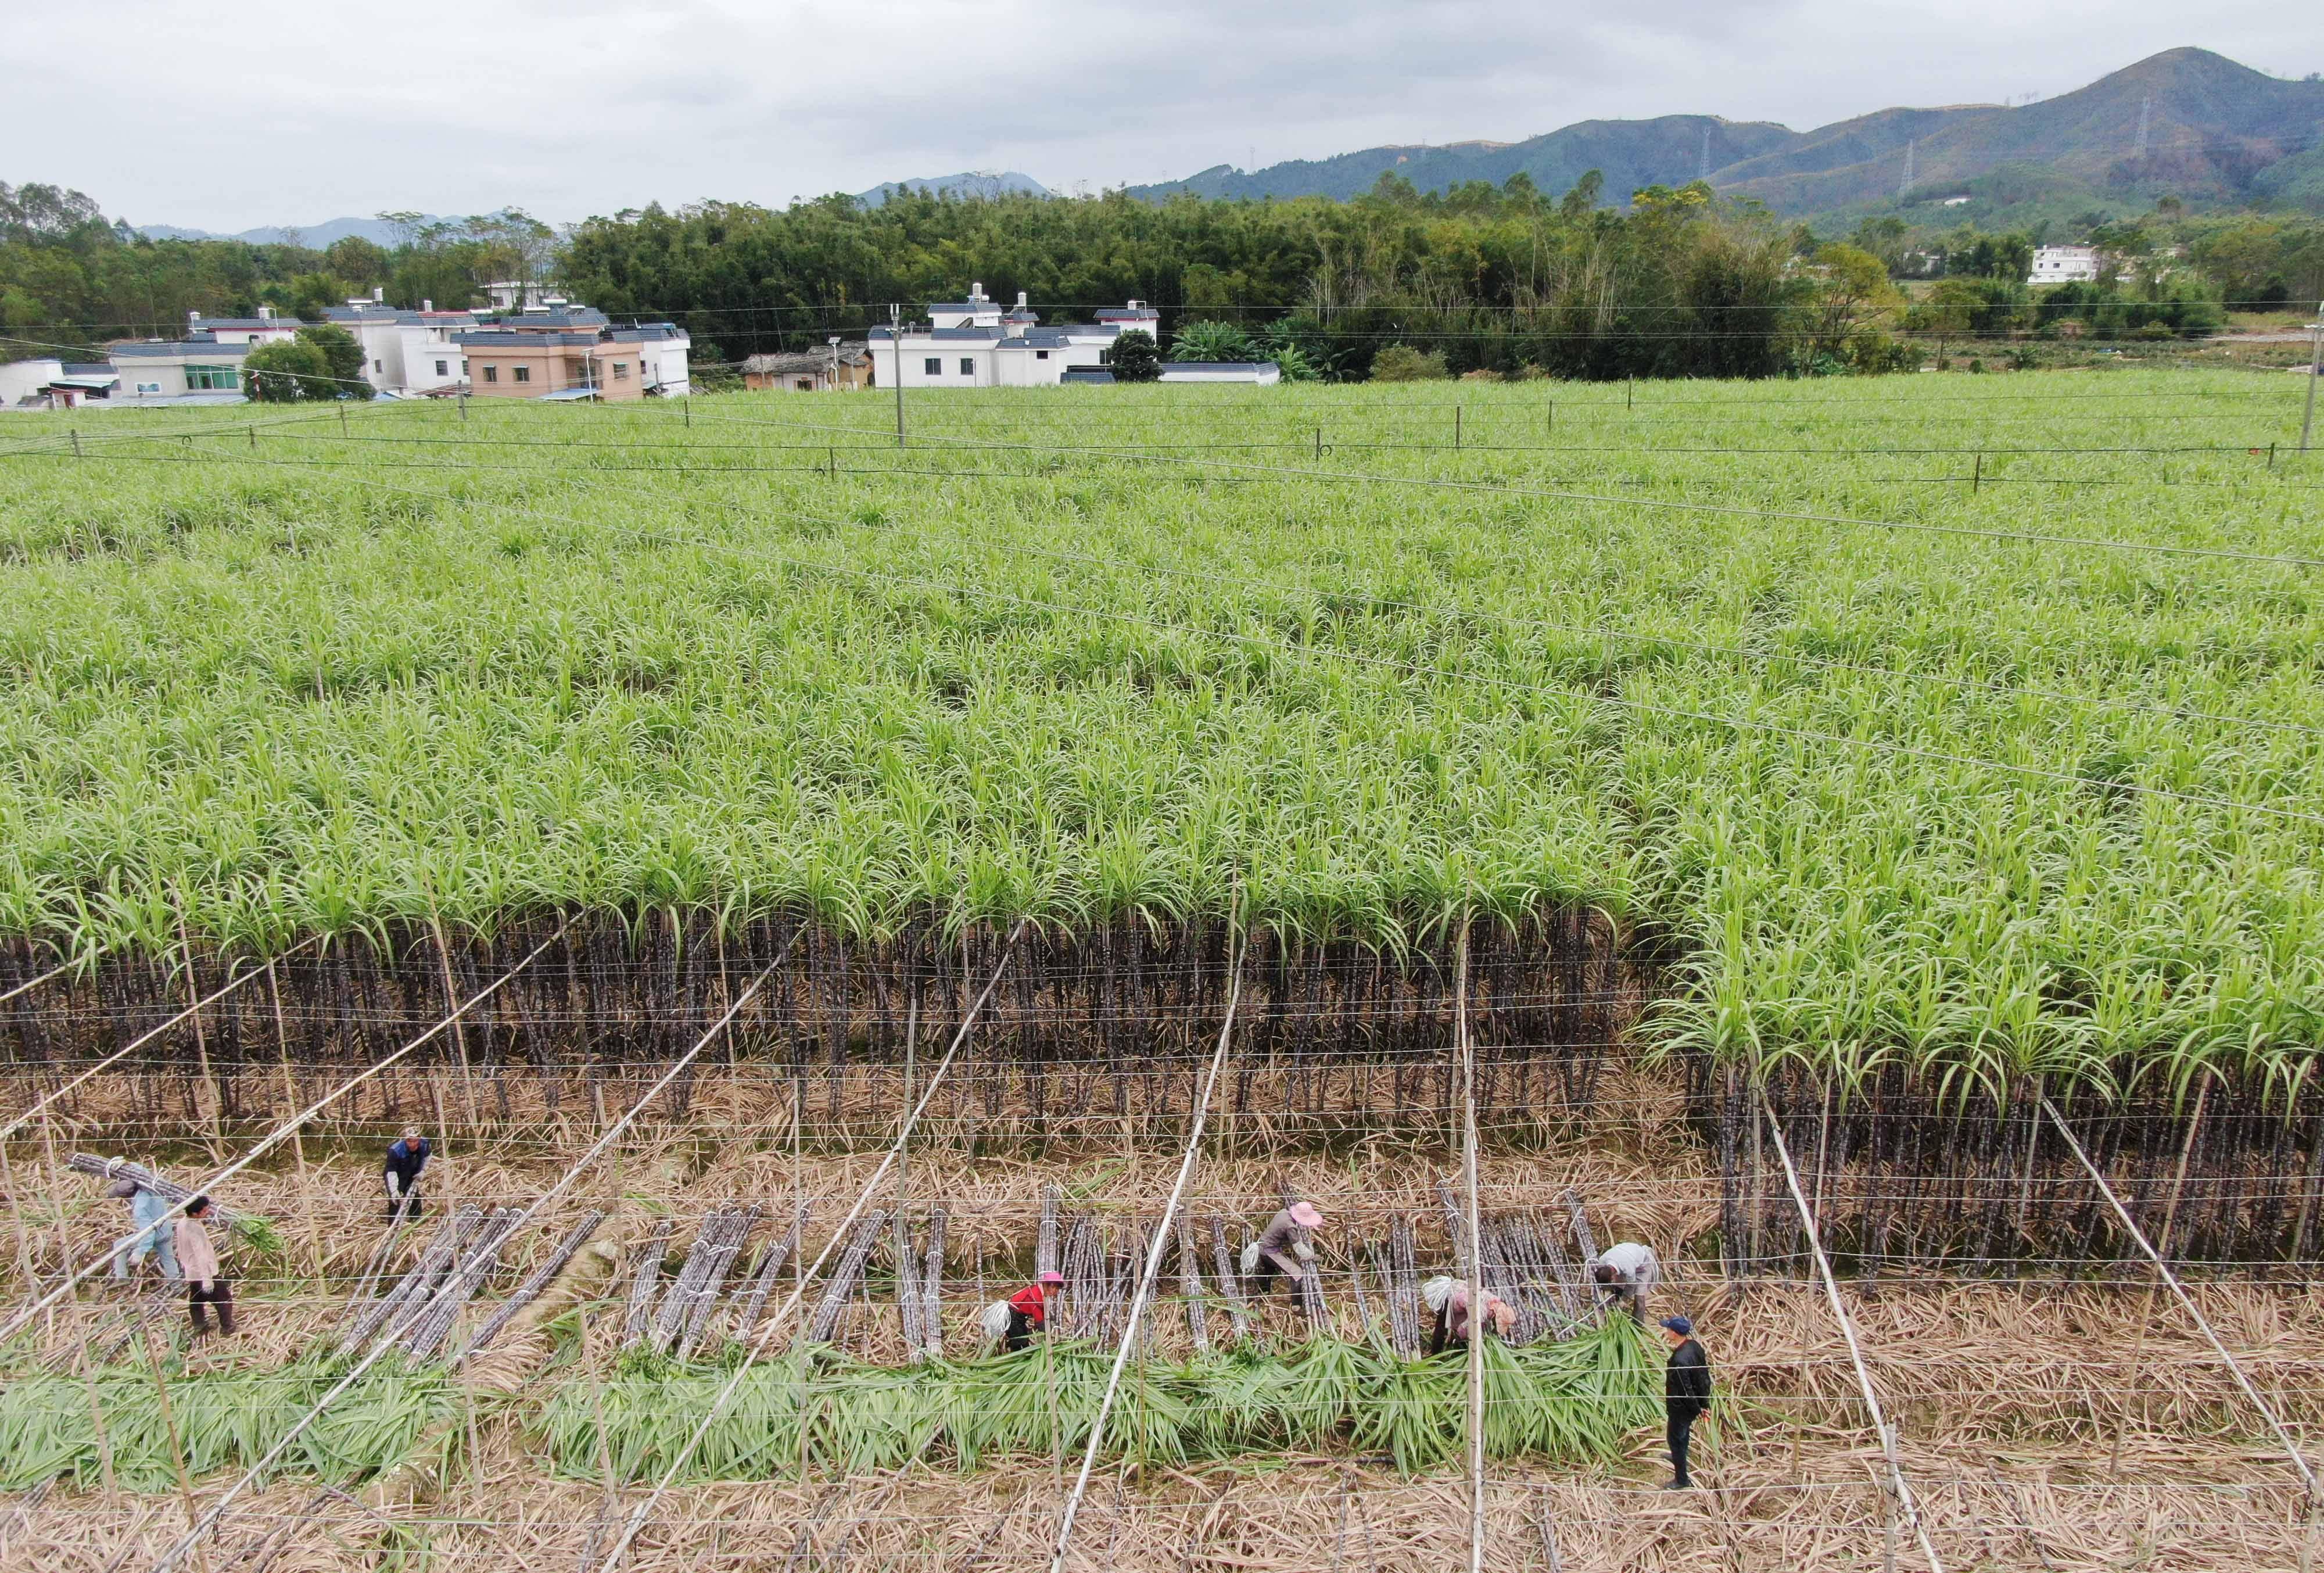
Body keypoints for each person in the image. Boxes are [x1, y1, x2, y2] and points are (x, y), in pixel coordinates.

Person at [1660, 1315, 1712, 1489]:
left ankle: (1681, 1479)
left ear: (1674, 1333)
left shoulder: (1679, 1361)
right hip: (1695, 1401)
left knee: (1675, 1438)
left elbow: (1686, 1390)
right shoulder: (1694, 1346)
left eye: (1668, 1329)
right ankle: (1679, 1455)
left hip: (1681, 1408)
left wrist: (1698, 1409)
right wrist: (1703, 1404)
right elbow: (1703, 1375)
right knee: (1681, 1435)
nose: (1666, 1331)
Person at [175, 1195, 234, 1336]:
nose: (208, 1212)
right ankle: (227, 1327)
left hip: (192, 1271)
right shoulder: (195, 1230)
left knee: (196, 1300)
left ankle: (199, 1325)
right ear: (195, 1213)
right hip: (204, 1271)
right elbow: (201, 1256)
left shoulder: (183, 1222)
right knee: (224, 1299)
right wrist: (207, 1279)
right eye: (205, 1210)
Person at [106, 1173, 180, 1282]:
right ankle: (176, 1285)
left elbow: (148, 1232)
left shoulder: (140, 1208)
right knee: (168, 1259)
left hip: (155, 1234)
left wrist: (140, 1251)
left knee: (119, 1245)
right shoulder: (149, 1189)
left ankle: (122, 1277)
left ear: (127, 1194)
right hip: (167, 1230)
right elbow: (141, 1170)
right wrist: (128, 1164)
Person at [1240, 1201, 1324, 1295]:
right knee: (1297, 1273)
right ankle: (1296, 1305)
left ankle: (1263, 1292)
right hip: (1269, 1251)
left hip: (1263, 1246)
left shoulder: (1283, 1212)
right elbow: (1299, 1249)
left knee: (1269, 1270)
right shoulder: (1290, 1227)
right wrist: (1312, 1256)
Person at [1423, 1276, 1516, 1355]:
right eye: (1498, 1324)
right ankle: (1436, 1354)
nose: (1496, 1326)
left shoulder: (1493, 1303)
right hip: (1451, 1298)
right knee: (1441, 1328)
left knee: (1448, 1330)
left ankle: (1444, 1350)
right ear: (1496, 1317)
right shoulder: (1483, 1311)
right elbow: (1470, 1322)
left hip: (1460, 1297)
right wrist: (1460, 1333)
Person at [1591, 1241, 1660, 1323]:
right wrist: (1608, 1290)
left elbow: (1631, 1285)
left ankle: (1638, 1325)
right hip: (1627, 1254)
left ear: (1613, 1276)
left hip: (1642, 1267)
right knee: (1618, 1288)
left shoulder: (1628, 1268)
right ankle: (1616, 1311)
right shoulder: (1603, 1261)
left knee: (1639, 1298)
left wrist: (1623, 1300)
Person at [998, 1270, 1064, 1352]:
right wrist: (1049, 1337)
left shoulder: (1039, 1292)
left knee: (1022, 1339)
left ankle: (1018, 1355)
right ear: (1047, 1285)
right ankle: (1017, 1359)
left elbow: (1043, 1312)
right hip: (1013, 1316)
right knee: (1020, 1341)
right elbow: (1039, 1321)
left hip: (1018, 1317)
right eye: (1054, 1288)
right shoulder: (1036, 1297)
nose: (1056, 1292)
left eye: (1057, 1289)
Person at [382, 1128, 431, 1220]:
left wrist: (423, 1171)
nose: (412, 1144)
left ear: (419, 1139)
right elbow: (391, 1172)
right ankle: (393, 1224)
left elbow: (427, 1157)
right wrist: (393, 1190)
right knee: (395, 1200)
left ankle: (416, 1218)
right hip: (397, 1174)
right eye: (409, 1141)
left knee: (414, 1195)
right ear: (405, 1140)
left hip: (412, 1172)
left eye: (415, 1141)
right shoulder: (395, 1151)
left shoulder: (425, 1144)